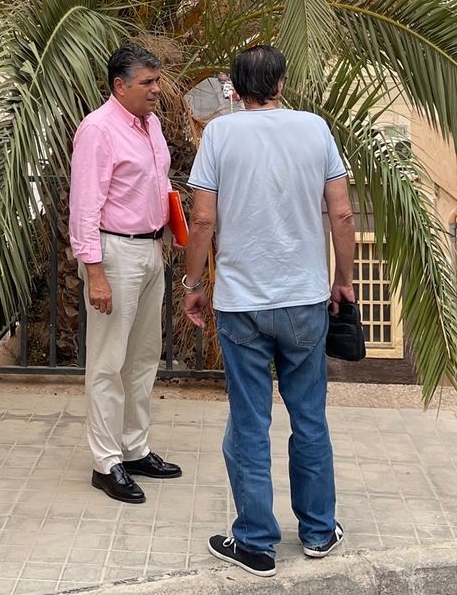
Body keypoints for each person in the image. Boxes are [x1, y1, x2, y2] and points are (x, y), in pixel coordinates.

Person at [181, 43, 356, 577]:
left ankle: (255, 542)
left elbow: (204, 220)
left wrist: (194, 282)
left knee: (250, 422)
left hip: (242, 304)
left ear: (234, 88)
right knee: (310, 418)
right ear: (281, 82)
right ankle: (319, 532)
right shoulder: (316, 129)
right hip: (305, 300)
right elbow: (343, 212)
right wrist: (343, 279)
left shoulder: (219, 134)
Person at [68, 42, 184, 503]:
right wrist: (95, 272)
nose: (157, 90)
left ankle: (135, 448)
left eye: (157, 81)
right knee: (107, 363)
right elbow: (84, 206)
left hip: (150, 249)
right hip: (114, 254)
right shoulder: (97, 130)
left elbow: (156, 183)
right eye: (147, 83)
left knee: (143, 357)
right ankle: (106, 462)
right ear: (120, 86)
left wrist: (169, 229)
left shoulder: (150, 124)